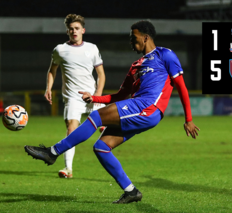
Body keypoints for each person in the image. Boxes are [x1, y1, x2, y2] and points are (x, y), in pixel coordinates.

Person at [25, 20, 200, 204]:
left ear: (146, 37)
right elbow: (120, 95)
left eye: (134, 38)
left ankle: (53, 152)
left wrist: (188, 119)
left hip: (148, 108)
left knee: (95, 117)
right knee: (101, 148)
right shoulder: (135, 66)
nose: (131, 42)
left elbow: (181, 87)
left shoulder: (165, 55)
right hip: (137, 108)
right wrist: (95, 98)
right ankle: (131, 191)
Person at [44, 14, 106, 179]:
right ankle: (68, 168)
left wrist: (98, 94)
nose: (74, 31)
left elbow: (101, 74)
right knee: (71, 130)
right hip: (72, 97)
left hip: (92, 96)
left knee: (106, 124)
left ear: (83, 30)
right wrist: (48, 88)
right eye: (71, 29)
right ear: (67, 31)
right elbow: (52, 70)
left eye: (77, 28)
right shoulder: (60, 50)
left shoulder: (92, 48)